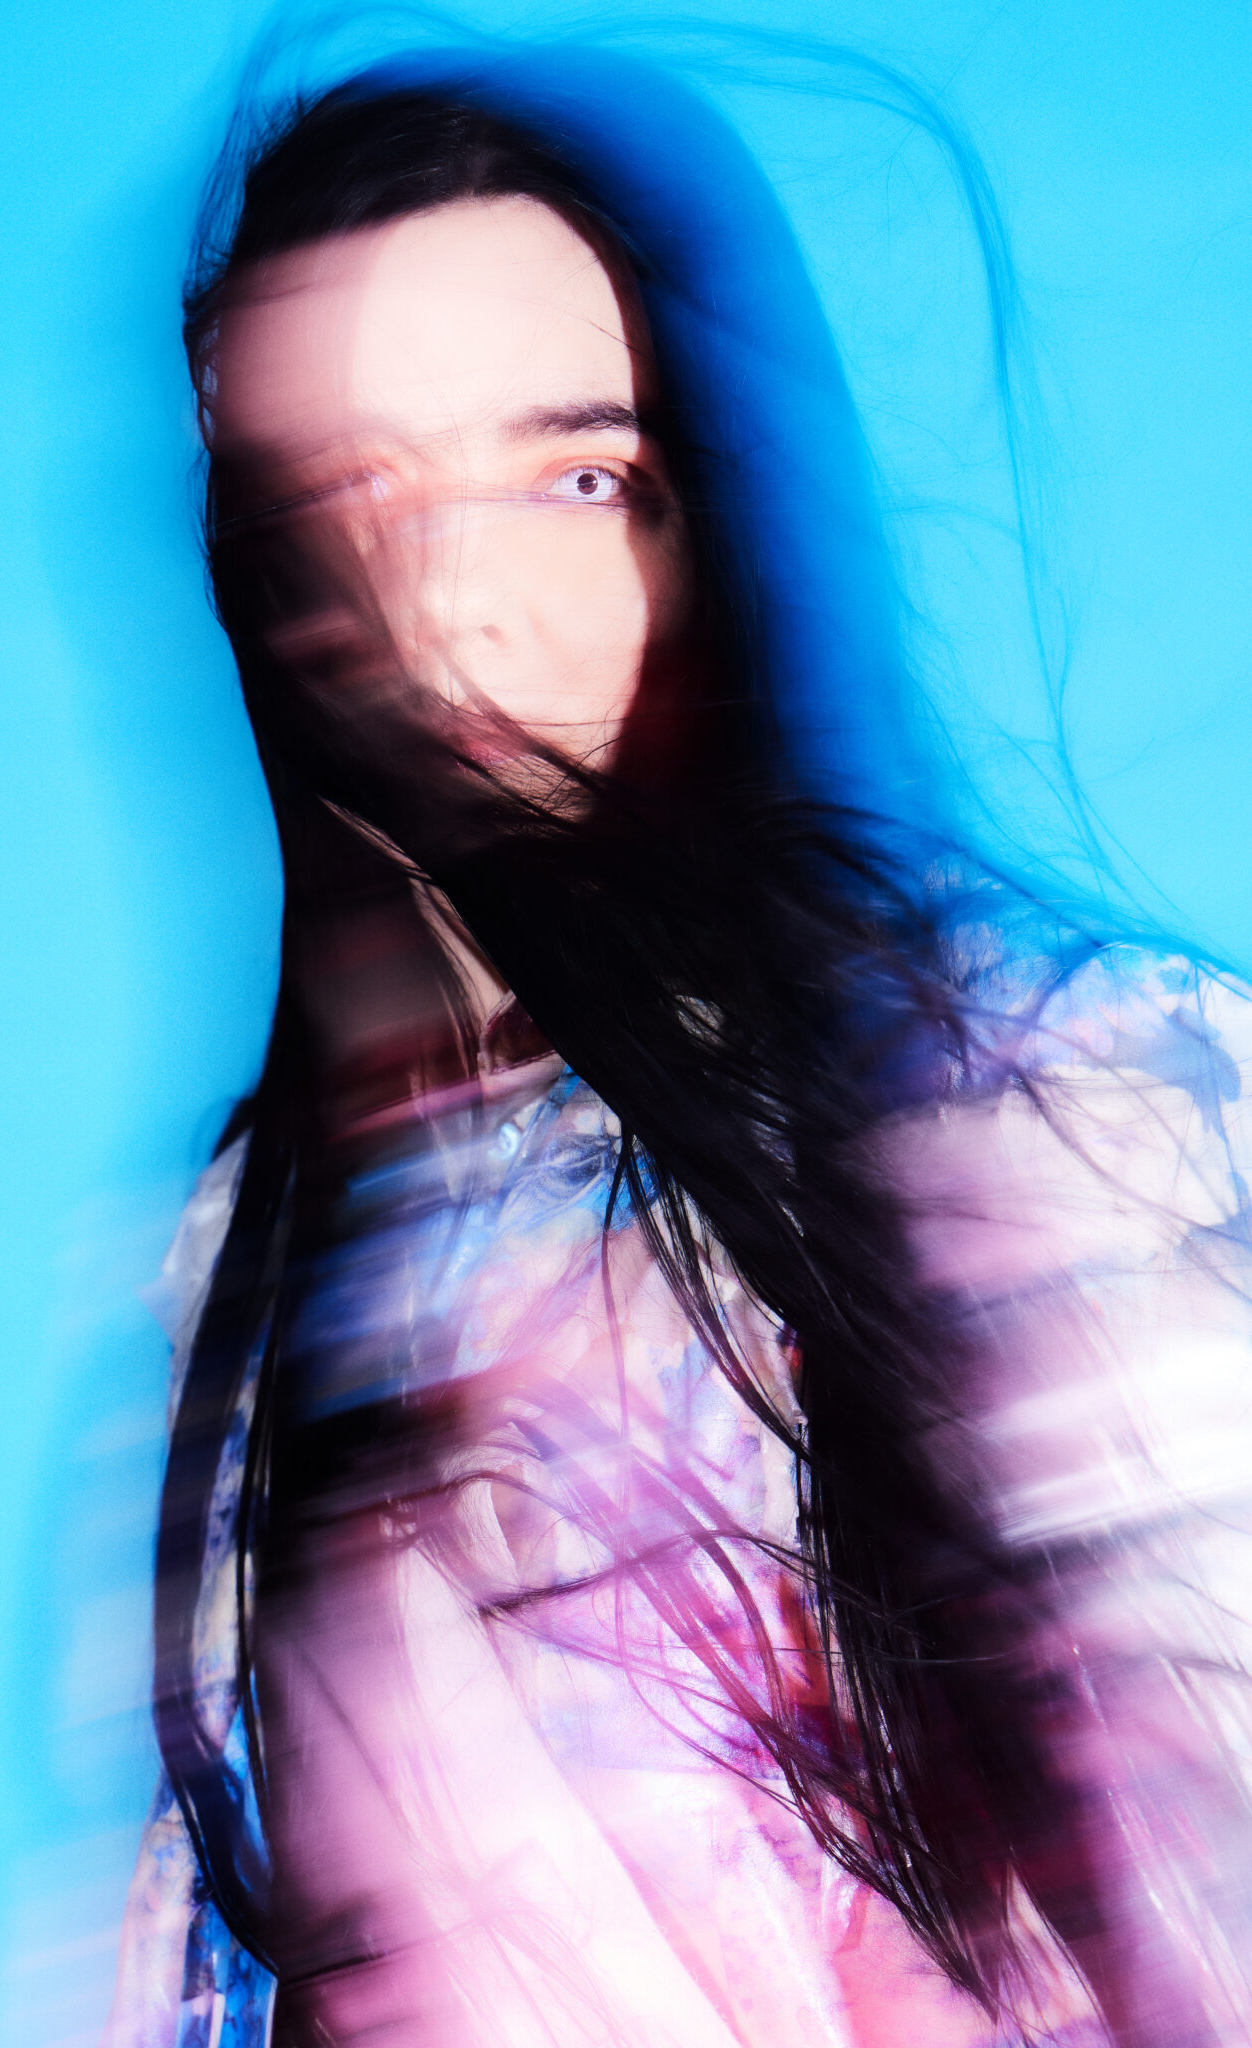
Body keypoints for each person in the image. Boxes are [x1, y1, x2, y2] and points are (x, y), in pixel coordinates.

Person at [104, 48, 1252, 2048]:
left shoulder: (1060, 1116)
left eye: (573, 479)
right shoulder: (254, 1266)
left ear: (695, 512)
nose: (449, 605)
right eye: (353, 495)